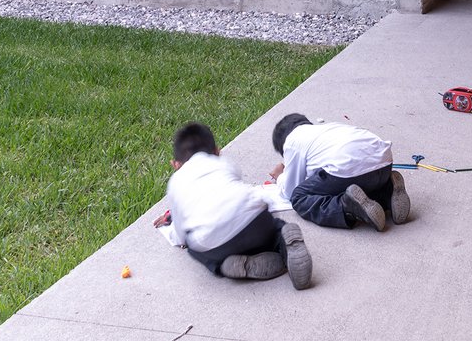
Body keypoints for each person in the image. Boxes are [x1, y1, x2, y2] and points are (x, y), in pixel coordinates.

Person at [162, 122, 312, 288]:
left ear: (175, 164)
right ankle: (283, 242)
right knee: (276, 228)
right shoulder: (224, 163)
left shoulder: (175, 182)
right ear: (217, 152)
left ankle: (228, 265)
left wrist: (177, 233)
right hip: (256, 224)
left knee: (193, 247)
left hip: (215, 244)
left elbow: (180, 233)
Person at [269, 113, 410, 232]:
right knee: (347, 181)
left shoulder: (292, 141)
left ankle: (348, 208)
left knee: (299, 197)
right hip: (384, 164)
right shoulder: (327, 129)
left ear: (282, 145)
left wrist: (281, 176)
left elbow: (290, 191)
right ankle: (387, 191)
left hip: (350, 170)